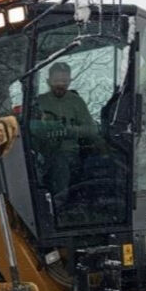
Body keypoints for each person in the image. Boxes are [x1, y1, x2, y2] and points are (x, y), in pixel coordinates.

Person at [30, 61, 99, 202]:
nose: (60, 84)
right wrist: (46, 128)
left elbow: (92, 131)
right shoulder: (38, 102)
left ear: (70, 81)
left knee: (59, 162)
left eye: (64, 81)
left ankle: (59, 205)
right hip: (40, 153)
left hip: (68, 154)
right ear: (48, 81)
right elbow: (29, 127)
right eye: (56, 81)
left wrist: (69, 130)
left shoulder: (76, 102)